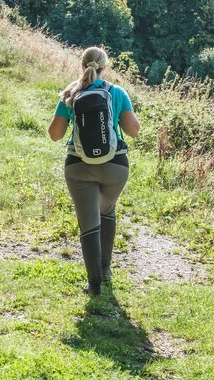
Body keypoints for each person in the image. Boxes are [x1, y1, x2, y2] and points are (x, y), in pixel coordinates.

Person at [48, 46, 140, 296]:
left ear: (82, 65)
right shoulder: (117, 92)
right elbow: (133, 131)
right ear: (104, 68)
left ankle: (94, 283)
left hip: (79, 167)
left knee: (88, 221)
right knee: (106, 210)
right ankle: (106, 269)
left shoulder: (71, 93)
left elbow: (55, 135)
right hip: (115, 167)